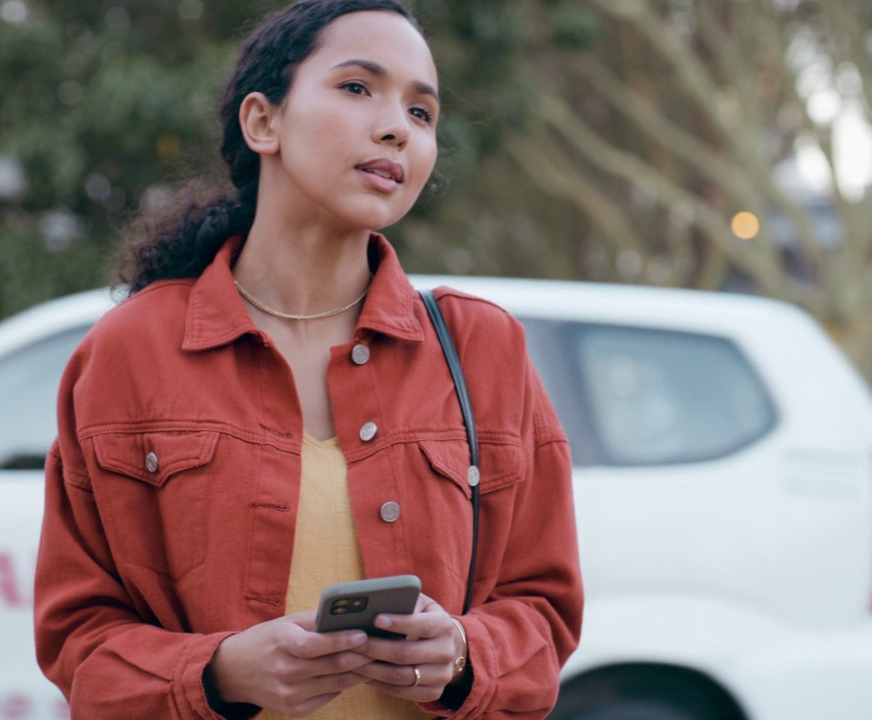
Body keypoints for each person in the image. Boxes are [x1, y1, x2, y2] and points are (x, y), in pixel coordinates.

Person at [32, 1, 583, 717]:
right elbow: (77, 638)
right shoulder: (129, 352)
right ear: (263, 122)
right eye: (358, 88)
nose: (396, 127)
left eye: (422, 113)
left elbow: (545, 613)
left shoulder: (485, 350)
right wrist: (217, 673)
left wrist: (462, 654)